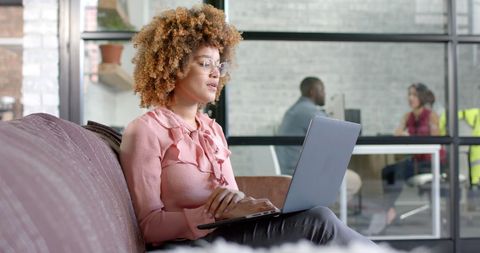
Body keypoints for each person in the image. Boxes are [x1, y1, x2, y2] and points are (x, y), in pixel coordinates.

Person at [120, 4, 375, 249]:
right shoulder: (144, 131)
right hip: (189, 244)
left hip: (228, 234)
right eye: (204, 63)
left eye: (218, 65)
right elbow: (148, 225)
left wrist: (245, 203)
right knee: (319, 221)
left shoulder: (212, 130)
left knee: (315, 214)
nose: (215, 73)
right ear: (173, 66)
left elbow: (230, 198)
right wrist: (212, 213)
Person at [364, 83, 443, 235]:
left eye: (413, 95)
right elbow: (398, 133)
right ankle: (389, 208)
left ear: (421, 97)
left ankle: (385, 212)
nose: (410, 98)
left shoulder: (431, 115)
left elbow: (436, 138)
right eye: (409, 95)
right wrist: (403, 133)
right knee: (387, 171)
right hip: (416, 161)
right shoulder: (408, 116)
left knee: (400, 170)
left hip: (430, 161)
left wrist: (410, 136)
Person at [275, 77, 362, 202]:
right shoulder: (306, 110)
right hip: (299, 175)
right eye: (322, 90)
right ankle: (323, 212)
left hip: (290, 170)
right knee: (354, 181)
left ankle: (321, 211)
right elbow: (336, 129)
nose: (324, 93)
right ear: (312, 92)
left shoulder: (296, 109)